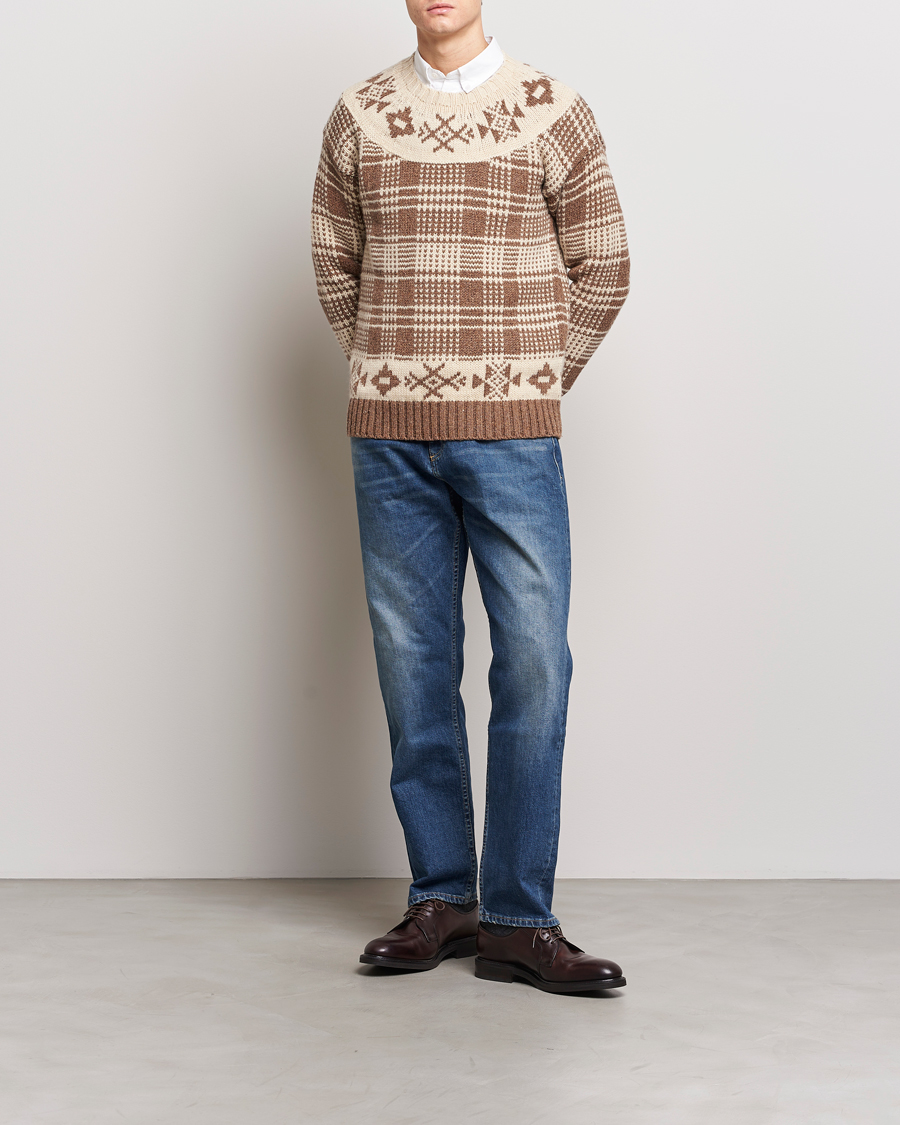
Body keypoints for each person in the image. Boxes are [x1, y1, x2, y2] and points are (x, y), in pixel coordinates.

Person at [310, 0, 630, 993]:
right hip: (389, 439)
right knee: (414, 669)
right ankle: (441, 898)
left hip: (514, 439)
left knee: (533, 663)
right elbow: (334, 263)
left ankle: (520, 919)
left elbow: (605, 263)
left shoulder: (553, 109)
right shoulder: (359, 114)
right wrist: (392, 370)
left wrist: (528, 382)